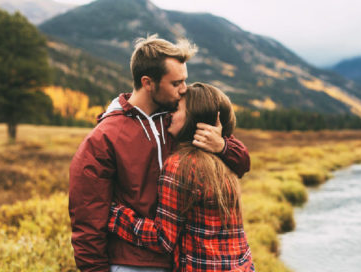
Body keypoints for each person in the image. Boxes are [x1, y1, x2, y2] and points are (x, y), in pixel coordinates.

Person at [69, 35, 250, 272]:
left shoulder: (180, 121)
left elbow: (242, 163)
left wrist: (223, 146)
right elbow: (87, 219)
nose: (184, 89)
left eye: (185, 80)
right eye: (176, 83)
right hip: (132, 264)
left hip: (183, 261)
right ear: (148, 82)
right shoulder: (104, 137)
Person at [108, 82, 254, 272]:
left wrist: (114, 214)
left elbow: (162, 239)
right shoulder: (224, 161)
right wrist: (223, 146)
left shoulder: (180, 166)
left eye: (176, 109)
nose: (170, 115)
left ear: (194, 118)